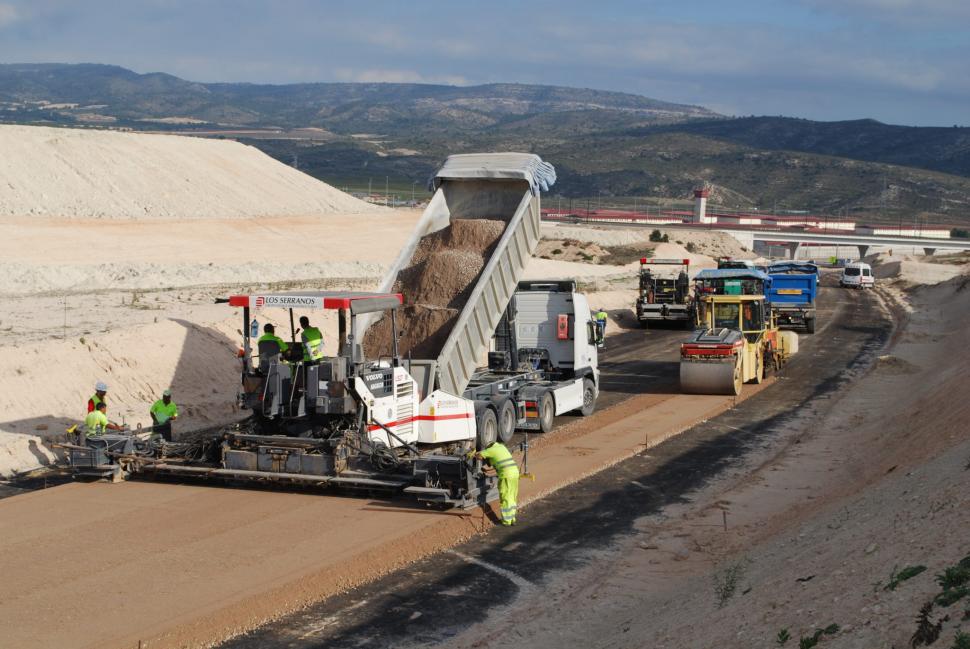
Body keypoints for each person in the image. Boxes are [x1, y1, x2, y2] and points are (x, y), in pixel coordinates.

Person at [470, 441, 520, 526]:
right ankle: (512, 518)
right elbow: (494, 462)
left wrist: (473, 454)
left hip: (506, 475)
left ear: (488, 447)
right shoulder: (502, 447)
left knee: (505, 497)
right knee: (512, 496)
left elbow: (479, 456)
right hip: (515, 473)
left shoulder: (491, 450)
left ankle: (506, 521)